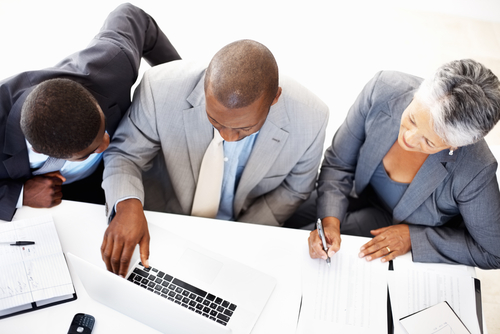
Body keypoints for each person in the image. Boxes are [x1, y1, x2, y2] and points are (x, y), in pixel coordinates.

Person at [101, 39, 329, 276]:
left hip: (242, 231)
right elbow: (125, 154)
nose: (228, 137)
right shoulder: (158, 88)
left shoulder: (311, 118)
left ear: (275, 98)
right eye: (215, 121)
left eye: (245, 128)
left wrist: (236, 238)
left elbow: (295, 190)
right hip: (163, 221)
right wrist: (127, 205)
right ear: (205, 87)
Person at [308, 59, 500, 269]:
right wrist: (329, 220)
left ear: (455, 145)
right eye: (412, 119)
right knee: (285, 219)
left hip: (391, 224)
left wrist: (415, 239)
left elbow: (494, 253)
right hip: (353, 190)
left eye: (428, 142)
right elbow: (338, 164)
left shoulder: (476, 169)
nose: (409, 138)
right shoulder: (382, 88)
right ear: (418, 94)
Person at [0, 3, 181, 221]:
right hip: (32, 203)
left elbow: (132, 16)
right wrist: (20, 195)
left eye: (103, 129)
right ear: (39, 150)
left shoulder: (111, 64)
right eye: (89, 151)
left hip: (110, 177)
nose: (107, 144)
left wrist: (180, 88)